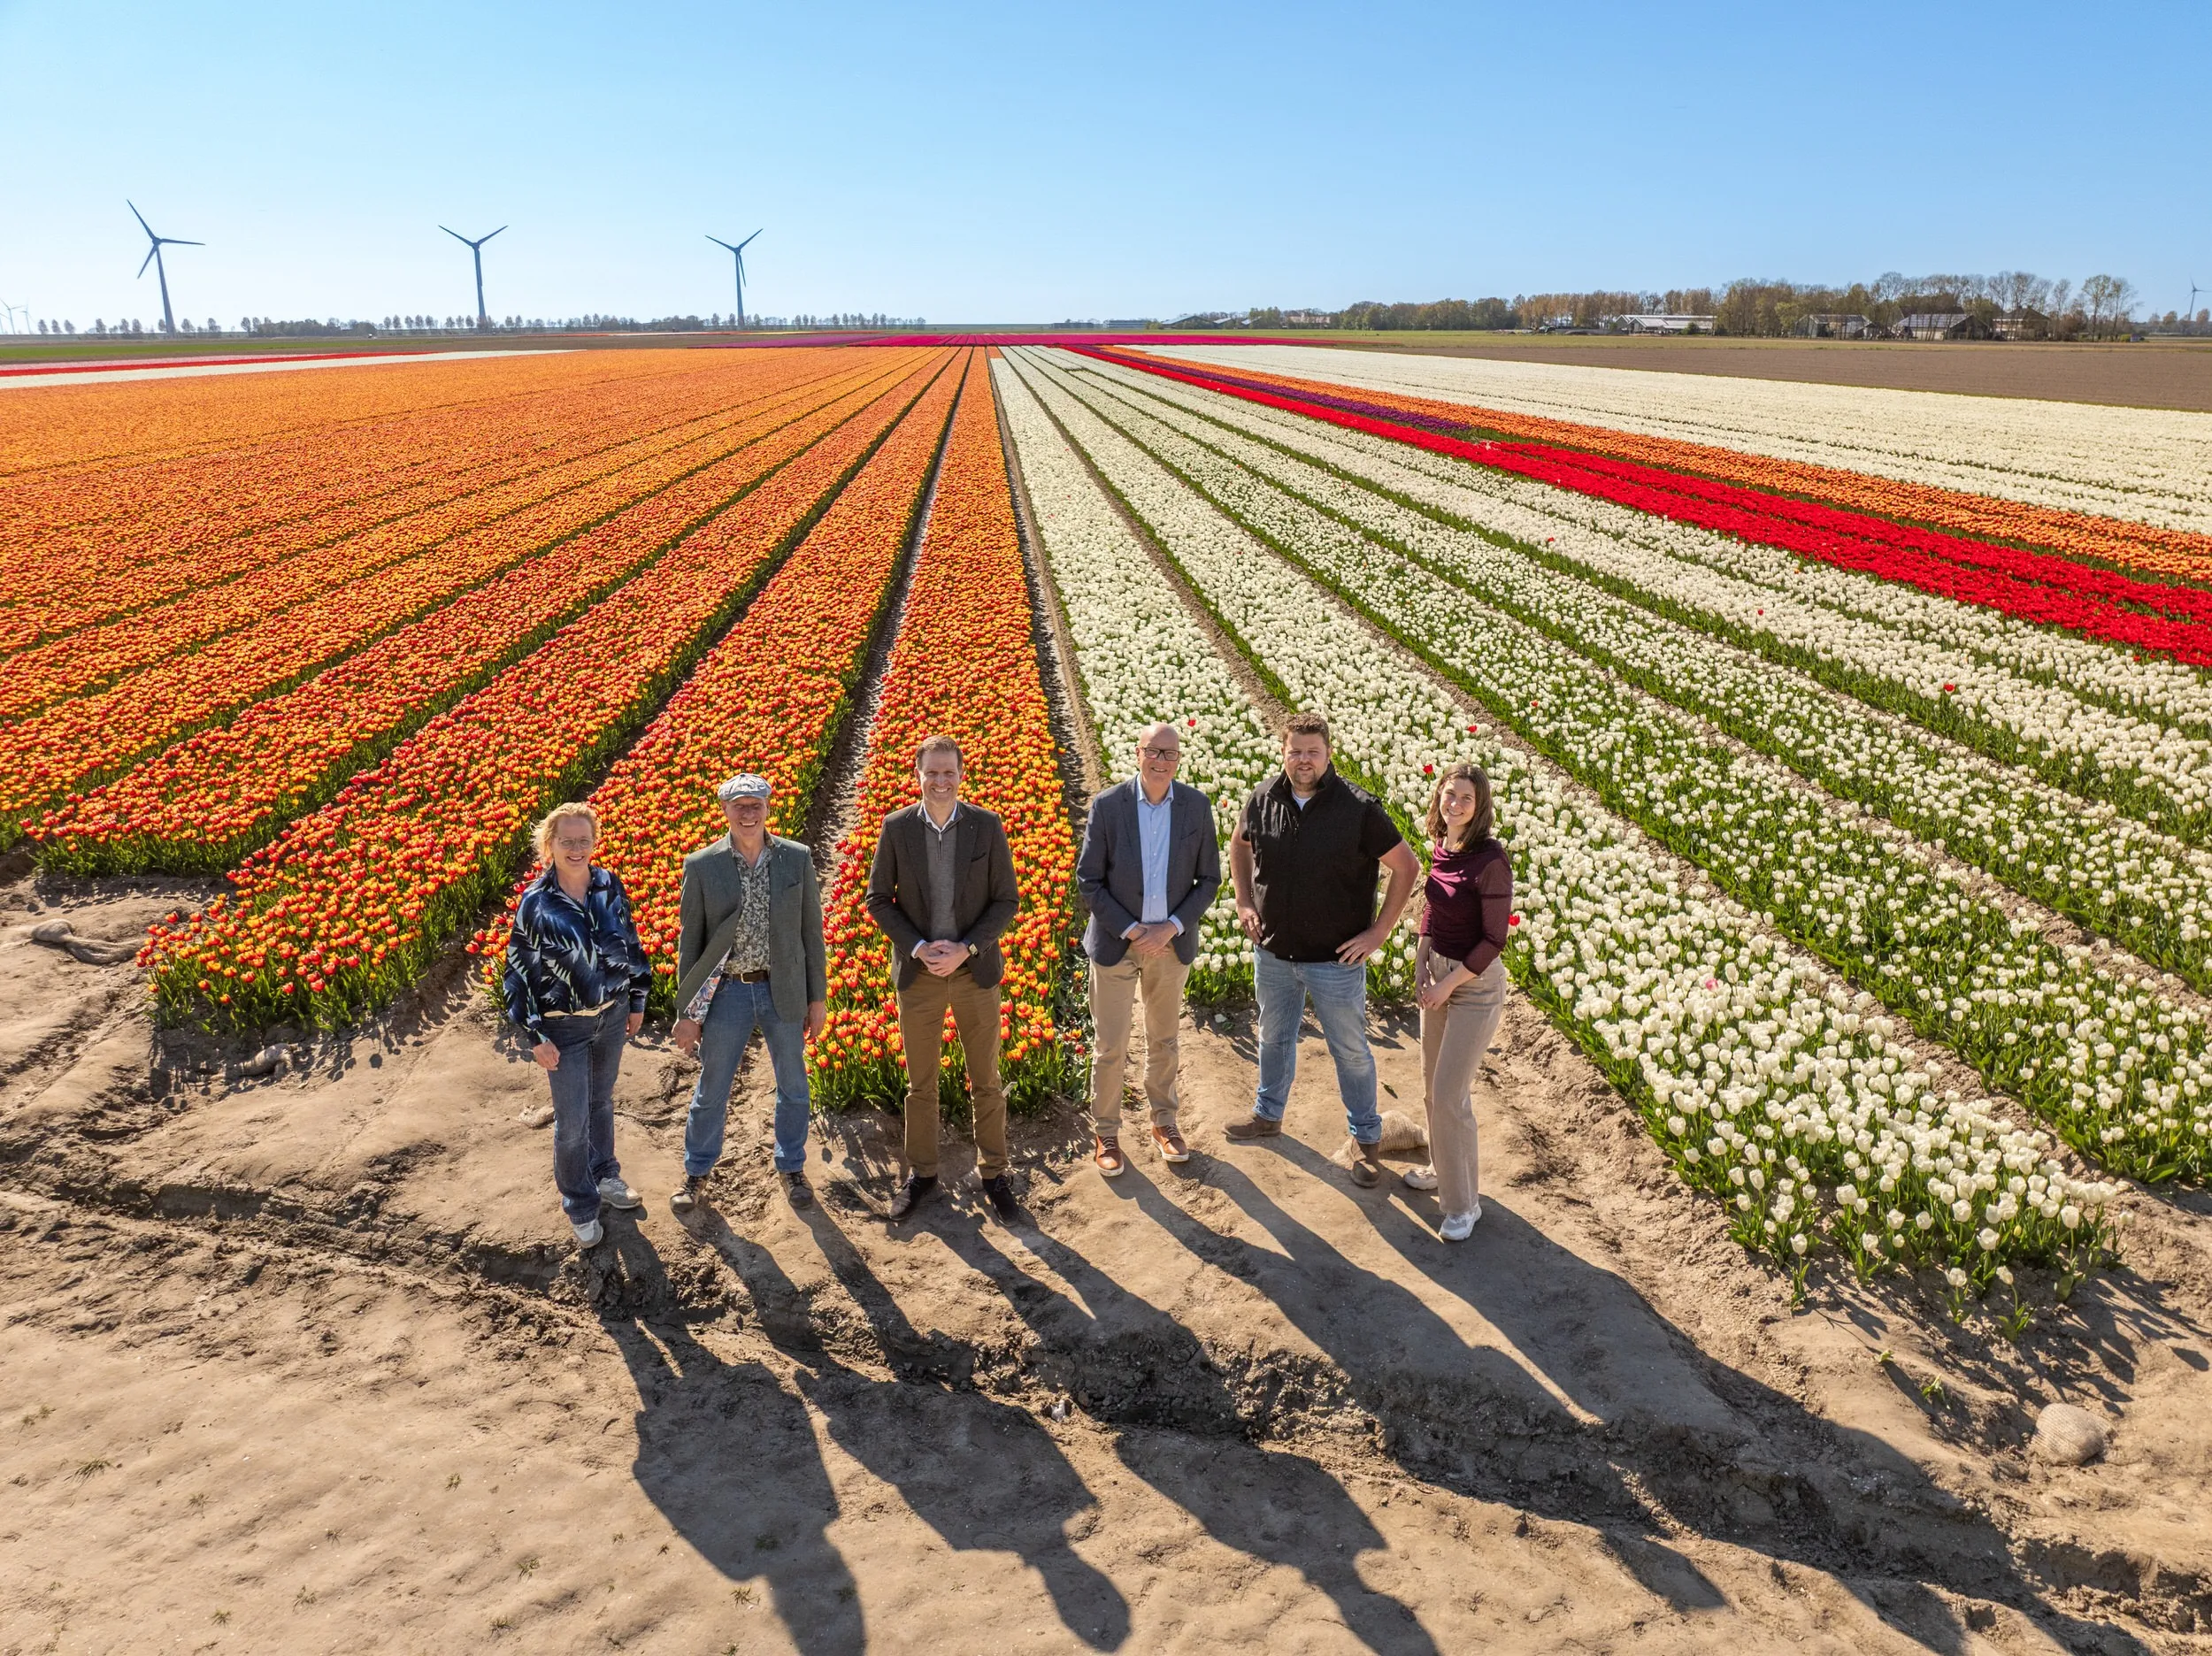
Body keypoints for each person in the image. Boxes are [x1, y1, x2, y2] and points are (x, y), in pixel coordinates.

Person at [1224, 714, 1419, 1188]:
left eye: (1313, 751)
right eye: (1295, 751)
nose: (1303, 760)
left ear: (1329, 754)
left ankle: (1367, 1140)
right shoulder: (1264, 797)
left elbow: (1407, 866)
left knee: (1350, 1051)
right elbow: (1239, 844)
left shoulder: (1357, 807)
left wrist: (1379, 933)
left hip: (1335, 960)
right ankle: (1268, 1115)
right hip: (1274, 953)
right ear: (1283, 753)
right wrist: (1244, 901)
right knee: (1273, 1037)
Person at [864, 734, 1020, 1223]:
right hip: (921, 975)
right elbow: (877, 899)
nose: (940, 781)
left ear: (961, 775)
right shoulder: (897, 828)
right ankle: (923, 1173)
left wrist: (966, 948)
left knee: (987, 1080)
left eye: (948, 772)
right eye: (931, 772)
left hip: (974, 972)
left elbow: (1007, 900)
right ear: (918, 775)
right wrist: (917, 947)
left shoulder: (985, 826)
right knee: (921, 1083)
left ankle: (995, 1173)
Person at [670, 774, 828, 1215]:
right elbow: (690, 942)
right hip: (728, 992)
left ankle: (792, 1166)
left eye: (755, 804)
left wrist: (817, 998)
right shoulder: (702, 865)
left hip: (784, 988)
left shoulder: (796, 858)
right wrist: (688, 1012)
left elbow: (811, 933)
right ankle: (697, 1172)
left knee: (793, 1085)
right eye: (739, 805)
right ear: (724, 810)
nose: (748, 812)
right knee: (712, 1087)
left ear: (768, 808)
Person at [1076, 720, 1222, 1177]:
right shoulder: (1109, 805)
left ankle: (1164, 1122)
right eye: (1153, 751)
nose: (1161, 761)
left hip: (1169, 946)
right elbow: (1089, 880)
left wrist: (1171, 927)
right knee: (1110, 1044)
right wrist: (1132, 929)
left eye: (1169, 754)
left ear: (1178, 760)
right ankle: (1106, 1131)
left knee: (1164, 1038)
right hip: (1117, 943)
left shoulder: (1196, 807)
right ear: (1138, 754)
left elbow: (1209, 880)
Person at [502, 801, 650, 1247]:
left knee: (601, 1102)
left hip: (612, 1015)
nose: (576, 848)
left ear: (594, 842)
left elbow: (630, 942)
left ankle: (605, 1174)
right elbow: (518, 972)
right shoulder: (536, 903)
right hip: (563, 1026)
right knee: (571, 1122)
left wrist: (637, 999)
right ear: (549, 844)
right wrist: (535, 1035)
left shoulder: (607, 884)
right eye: (566, 841)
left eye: (584, 840)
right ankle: (581, 1205)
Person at [1407, 763, 1511, 1240]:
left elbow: (1494, 940)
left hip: (1474, 985)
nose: (1455, 804)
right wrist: (1421, 957)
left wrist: (1448, 985)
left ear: (1480, 805)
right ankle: (1442, 1166)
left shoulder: (1491, 861)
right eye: (1450, 794)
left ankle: (1463, 1206)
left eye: (1466, 798)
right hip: (1439, 973)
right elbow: (1433, 904)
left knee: (1451, 1095)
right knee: (1433, 1089)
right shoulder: (1443, 845)